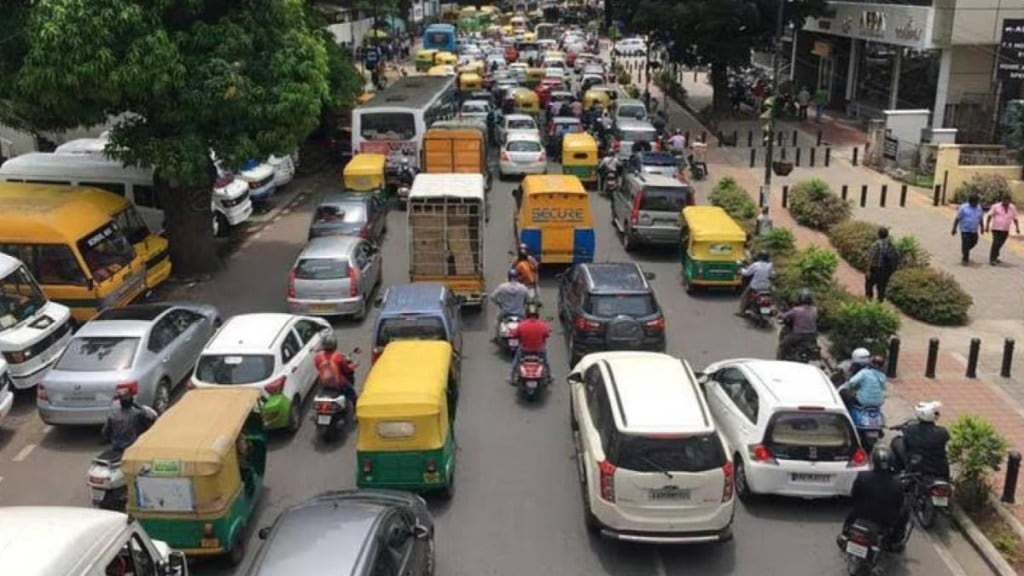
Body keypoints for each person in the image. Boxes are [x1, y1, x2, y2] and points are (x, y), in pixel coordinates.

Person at [843, 447, 910, 552]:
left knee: (851, 514)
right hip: (885, 520)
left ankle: (845, 532)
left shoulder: (862, 476)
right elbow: (899, 502)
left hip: (861, 514)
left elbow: (854, 494)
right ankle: (896, 540)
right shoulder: (897, 482)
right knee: (904, 512)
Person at [891, 401, 951, 480]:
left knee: (896, 442)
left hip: (917, 472)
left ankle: (897, 472)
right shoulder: (942, 432)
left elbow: (906, 442)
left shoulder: (911, 430)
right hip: (940, 472)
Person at [102, 390, 157, 454]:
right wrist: (138, 406)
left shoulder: (113, 415)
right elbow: (152, 417)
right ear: (132, 402)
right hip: (133, 445)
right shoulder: (138, 414)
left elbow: (105, 432)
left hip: (117, 446)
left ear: (120, 403)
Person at [314, 332, 358, 412]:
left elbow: (318, 368)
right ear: (335, 345)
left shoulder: (318, 358)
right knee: (354, 396)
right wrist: (354, 365)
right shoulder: (338, 357)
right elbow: (346, 369)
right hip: (340, 384)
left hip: (324, 383)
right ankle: (356, 412)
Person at [510, 302, 551, 383]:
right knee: (546, 362)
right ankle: (549, 375)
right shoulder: (542, 325)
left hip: (524, 350)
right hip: (539, 350)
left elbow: (516, 335)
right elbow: (547, 335)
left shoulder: (521, 325)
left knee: (516, 362)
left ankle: (512, 377)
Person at [777, 289, 818, 360]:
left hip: (798, 335)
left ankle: (779, 361)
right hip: (812, 336)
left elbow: (784, 316)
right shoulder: (815, 310)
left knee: (782, 345)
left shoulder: (796, 310)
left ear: (800, 299)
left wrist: (780, 315)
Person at [865, 227, 900, 302]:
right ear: (887, 235)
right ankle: (880, 302)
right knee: (882, 286)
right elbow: (897, 255)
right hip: (886, 270)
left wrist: (868, 270)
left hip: (875, 268)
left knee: (869, 283)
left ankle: (869, 300)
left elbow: (870, 258)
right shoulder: (890, 244)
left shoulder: (876, 245)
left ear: (878, 234)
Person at [985, 193, 1020, 265]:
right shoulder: (995, 206)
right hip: (996, 228)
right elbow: (989, 215)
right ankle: (992, 259)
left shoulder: (1012, 207)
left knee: (1000, 243)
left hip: (1005, 229)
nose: (1006, 202)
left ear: (1010, 200)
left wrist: (1017, 228)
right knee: (996, 243)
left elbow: (1015, 218)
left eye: (1008, 201)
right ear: (1002, 200)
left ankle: (995, 256)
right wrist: (987, 226)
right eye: (1004, 200)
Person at [737, 251, 774, 316]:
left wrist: (741, 270)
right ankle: (773, 308)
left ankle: (742, 312)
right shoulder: (770, 265)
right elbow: (772, 275)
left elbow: (747, 273)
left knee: (745, 296)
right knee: (772, 295)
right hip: (766, 286)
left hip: (755, 286)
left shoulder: (755, 265)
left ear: (759, 257)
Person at [952, 193, 985, 264]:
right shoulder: (963, 207)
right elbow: (957, 218)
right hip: (965, 230)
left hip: (974, 230)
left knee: (974, 242)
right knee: (966, 243)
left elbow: (980, 218)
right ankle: (965, 259)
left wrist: (982, 228)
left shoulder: (979, 208)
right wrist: (954, 228)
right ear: (970, 202)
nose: (976, 204)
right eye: (975, 202)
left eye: (977, 202)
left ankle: (965, 250)